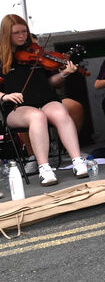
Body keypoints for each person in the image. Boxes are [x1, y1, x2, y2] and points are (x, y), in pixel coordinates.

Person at [0, 14, 89, 185]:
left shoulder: (36, 52)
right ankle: (44, 168)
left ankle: (77, 161)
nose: (22, 36)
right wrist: (6, 96)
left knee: (60, 111)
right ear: (6, 35)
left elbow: (51, 82)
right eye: (16, 33)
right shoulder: (1, 58)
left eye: (24, 31)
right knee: (37, 116)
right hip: (17, 108)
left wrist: (64, 73)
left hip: (45, 100)